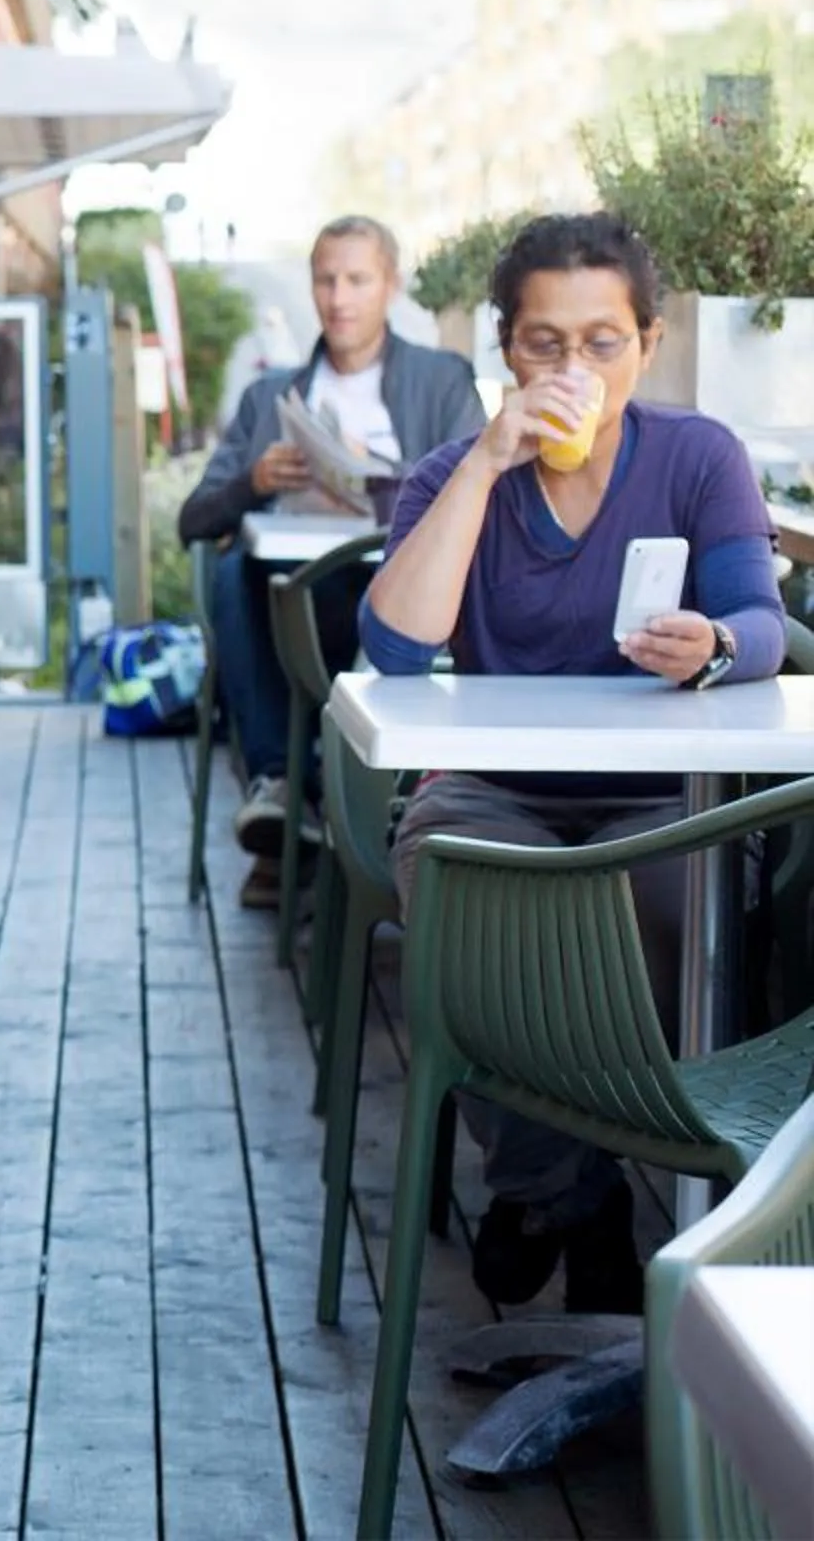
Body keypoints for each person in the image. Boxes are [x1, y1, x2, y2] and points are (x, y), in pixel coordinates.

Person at [360, 211, 782, 1313]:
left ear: (646, 344)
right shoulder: (459, 470)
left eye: (602, 341)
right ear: (507, 348)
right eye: (545, 341)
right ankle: (566, 1186)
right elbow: (399, 646)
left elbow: (761, 621)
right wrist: (488, 463)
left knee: (650, 911)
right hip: (493, 794)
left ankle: (567, 1185)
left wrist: (719, 645)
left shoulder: (698, 457)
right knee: (476, 906)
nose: (573, 367)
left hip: (669, 800)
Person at [177, 214, 484, 896]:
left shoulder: (440, 380)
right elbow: (193, 517)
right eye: (325, 280)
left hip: (403, 607)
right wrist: (254, 481)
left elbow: (482, 489)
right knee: (236, 572)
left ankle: (298, 822)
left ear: (390, 286)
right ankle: (280, 786)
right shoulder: (270, 396)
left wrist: (386, 479)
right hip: (293, 607)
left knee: (258, 586)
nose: (339, 298)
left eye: (357, 280)